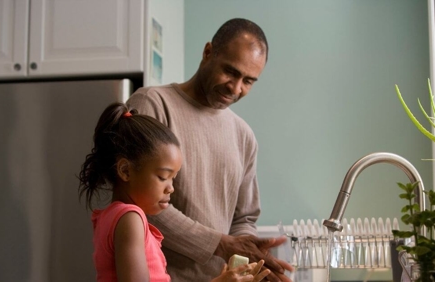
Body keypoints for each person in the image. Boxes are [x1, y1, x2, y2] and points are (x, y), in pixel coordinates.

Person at [126, 18, 294, 282]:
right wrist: (221, 244)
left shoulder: (244, 136)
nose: (236, 88)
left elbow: (244, 217)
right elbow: (136, 200)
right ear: (207, 53)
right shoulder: (152, 104)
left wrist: (249, 256)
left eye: (249, 81)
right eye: (231, 71)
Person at [78, 102, 271, 282]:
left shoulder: (111, 216)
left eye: (173, 178)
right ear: (125, 171)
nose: (171, 187)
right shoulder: (130, 218)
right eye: (163, 177)